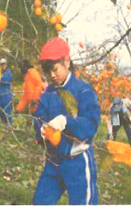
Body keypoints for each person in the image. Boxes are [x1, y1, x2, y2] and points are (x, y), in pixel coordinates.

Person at [32, 38, 100, 205]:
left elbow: (90, 125)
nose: (52, 76)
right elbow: (38, 118)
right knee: (40, 201)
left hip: (77, 161)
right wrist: (41, 129)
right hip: (54, 161)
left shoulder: (83, 91)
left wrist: (66, 122)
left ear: (67, 62)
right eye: (48, 73)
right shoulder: (48, 94)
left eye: (55, 70)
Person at [108, 97, 131, 162]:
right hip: (117, 119)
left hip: (128, 119)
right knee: (111, 135)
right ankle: (109, 152)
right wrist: (110, 133)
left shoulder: (127, 102)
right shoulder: (111, 108)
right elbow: (110, 122)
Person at [0, 58, 13, 126]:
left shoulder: (8, 72)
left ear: (6, 64)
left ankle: (9, 124)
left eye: (4, 64)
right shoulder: (0, 72)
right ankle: (4, 122)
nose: (3, 66)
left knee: (7, 108)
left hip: (6, 92)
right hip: (0, 92)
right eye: (1, 64)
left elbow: (4, 80)